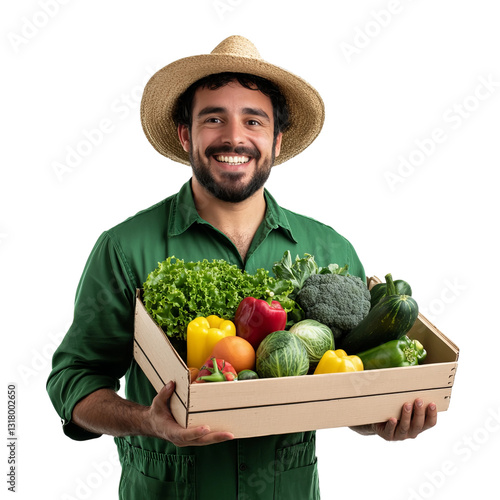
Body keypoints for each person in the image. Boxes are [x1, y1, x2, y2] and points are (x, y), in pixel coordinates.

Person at [47, 35, 437, 499]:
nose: (234, 137)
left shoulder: (330, 250)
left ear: (276, 139)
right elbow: (74, 380)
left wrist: (381, 420)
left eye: (253, 120)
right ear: (186, 134)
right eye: (214, 118)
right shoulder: (125, 248)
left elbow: (339, 391)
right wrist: (148, 423)